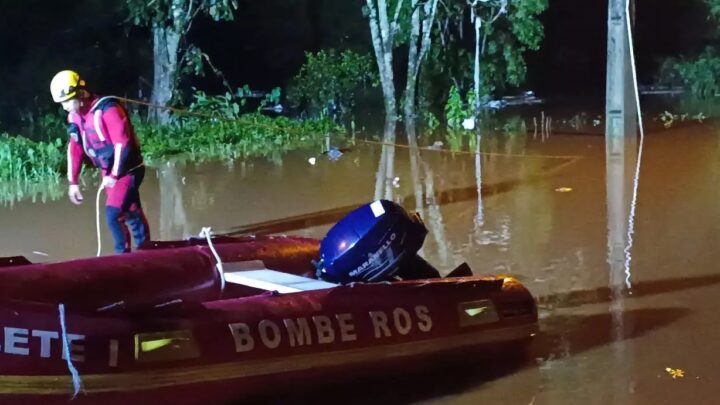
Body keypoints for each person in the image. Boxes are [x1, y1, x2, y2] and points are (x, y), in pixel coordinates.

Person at [50, 70, 150, 254]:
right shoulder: (75, 116)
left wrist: (114, 175)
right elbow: (75, 148)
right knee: (130, 209)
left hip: (128, 169)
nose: (64, 107)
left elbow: (123, 143)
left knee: (113, 213)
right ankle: (146, 250)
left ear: (81, 93)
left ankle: (122, 256)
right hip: (108, 170)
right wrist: (73, 182)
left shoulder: (108, 109)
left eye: (66, 101)